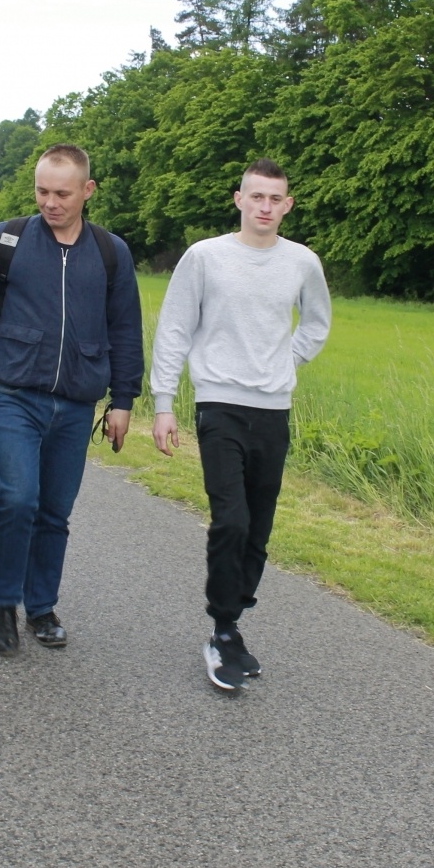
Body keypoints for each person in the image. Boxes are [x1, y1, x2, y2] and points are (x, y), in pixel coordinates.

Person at [0, 143, 143, 655]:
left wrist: (123, 401)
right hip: (15, 396)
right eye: (42, 191)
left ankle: (42, 606)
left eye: (62, 193)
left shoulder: (110, 253)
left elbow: (125, 331)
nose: (50, 202)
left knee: (54, 510)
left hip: (77, 406)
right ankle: (4, 604)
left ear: (87, 191)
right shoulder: (8, 239)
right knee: (17, 499)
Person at [149, 158, 331, 691]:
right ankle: (222, 629)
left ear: (288, 205)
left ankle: (233, 620)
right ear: (239, 200)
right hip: (219, 405)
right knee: (230, 519)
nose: (266, 207)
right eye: (257, 197)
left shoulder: (302, 262)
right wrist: (164, 403)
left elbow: (317, 324)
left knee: (258, 528)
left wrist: (284, 362)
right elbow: (175, 329)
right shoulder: (206, 257)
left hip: (274, 409)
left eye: (276, 199)